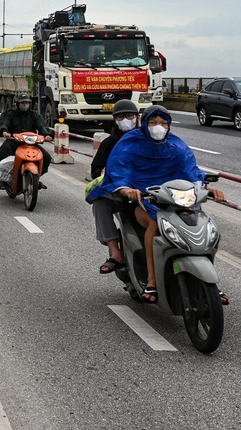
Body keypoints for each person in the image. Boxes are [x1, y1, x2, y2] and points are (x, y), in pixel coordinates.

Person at [86, 106, 227, 303]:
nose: (158, 127)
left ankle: (212, 281)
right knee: (155, 226)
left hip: (175, 199)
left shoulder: (177, 146)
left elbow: (191, 171)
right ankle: (151, 281)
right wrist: (126, 189)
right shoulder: (129, 143)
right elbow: (119, 170)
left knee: (204, 225)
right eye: (153, 122)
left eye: (163, 123)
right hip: (146, 200)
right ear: (144, 123)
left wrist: (207, 189)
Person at [89, 99, 139, 274]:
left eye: (129, 115)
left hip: (150, 193)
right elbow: (96, 170)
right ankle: (116, 253)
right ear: (114, 120)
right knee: (99, 203)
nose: (125, 119)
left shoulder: (148, 140)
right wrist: (105, 176)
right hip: (121, 193)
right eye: (120, 116)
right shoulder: (109, 144)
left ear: (138, 117)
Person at [0, 95, 52, 189]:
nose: (25, 105)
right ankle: (3, 179)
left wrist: (46, 135)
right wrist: (4, 132)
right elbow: (3, 123)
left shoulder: (34, 115)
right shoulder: (10, 113)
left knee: (46, 157)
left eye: (27, 103)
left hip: (31, 143)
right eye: (22, 103)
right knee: (3, 151)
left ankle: (37, 177)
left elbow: (41, 126)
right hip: (14, 141)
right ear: (18, 104)